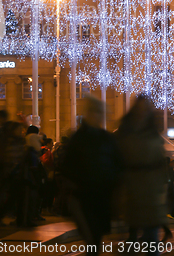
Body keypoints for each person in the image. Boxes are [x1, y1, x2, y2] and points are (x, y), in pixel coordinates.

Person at [61, 96, 122, 255]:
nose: (98, 116)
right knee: (92, 240)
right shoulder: (81, 138)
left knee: (95, 239)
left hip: (101, 197)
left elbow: (117, 165)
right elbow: (67, 166)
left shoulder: (106, 138)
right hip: (84, 197)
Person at [116, 94, 168, 251]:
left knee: (151, 240)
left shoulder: (153, 135)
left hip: (150, 193)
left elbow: (160, 165)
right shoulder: (125, 134)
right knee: (133, 237)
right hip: (132, 191)